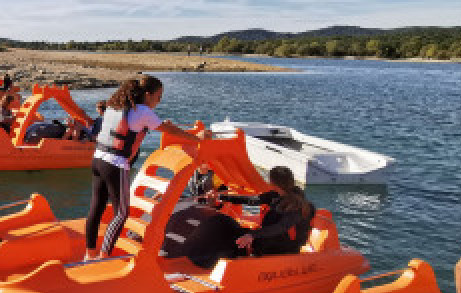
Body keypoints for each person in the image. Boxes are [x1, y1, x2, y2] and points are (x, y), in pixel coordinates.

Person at [83, 75, 190, 261]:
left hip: (98, 159)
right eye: (159, 96)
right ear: (147, 95)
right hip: (115, 164)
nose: (159, 101)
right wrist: (197, 138)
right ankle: (103, 256)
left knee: (96, 207)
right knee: (122, 213)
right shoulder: (142, 111)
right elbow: (170, 131)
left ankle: (89, 253)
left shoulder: (114, 106)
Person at [173, 166, 314, 269]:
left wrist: (252, 235)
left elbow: (280, 227)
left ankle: (215, 263)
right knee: (223, 224)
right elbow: (251, 200)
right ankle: (198, 257)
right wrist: (220, 196)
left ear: (273, 182)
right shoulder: (275, 195)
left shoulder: (296, 205)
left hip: (282, 245)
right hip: (268, 237)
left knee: (234, 238)